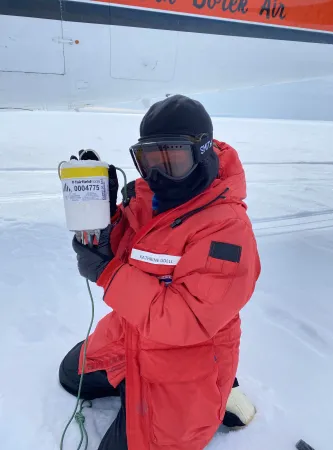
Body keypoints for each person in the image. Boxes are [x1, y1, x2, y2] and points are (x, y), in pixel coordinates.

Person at [59, 95, 261, 450]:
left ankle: (214, 394)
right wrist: (106, 225)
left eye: (173, 160)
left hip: (187, 357)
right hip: (132, 332)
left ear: (201, 151)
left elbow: (187, 319)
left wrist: (107, 273)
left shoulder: (228, 229)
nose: (158, 174)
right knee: (68, 375)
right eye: (149, 161)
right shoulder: (149, 195)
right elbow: (136, 250)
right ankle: (133, 384)